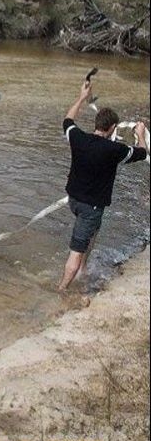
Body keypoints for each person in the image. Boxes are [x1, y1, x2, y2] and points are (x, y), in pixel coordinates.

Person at [58, 79, 148, 293]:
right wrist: (141, 134)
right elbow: (143, 152)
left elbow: (67, 120)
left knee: (93, 232)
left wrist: (82, 97)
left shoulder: (78, 138)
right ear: (113, 128)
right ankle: (61, 290)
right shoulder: (114, 150)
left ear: (97, 125)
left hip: (74, 200)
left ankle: (82, 270)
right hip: (91, 207)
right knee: (76, 250)